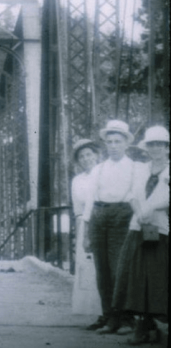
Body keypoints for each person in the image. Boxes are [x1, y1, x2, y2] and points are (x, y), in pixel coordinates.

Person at [113, 126, 169, 346]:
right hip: (141, 227)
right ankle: (143, 324)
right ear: (147, 148)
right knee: (138, 275)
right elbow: (132, 194)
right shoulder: (141, 169)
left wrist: (151, 208)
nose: (155, 148)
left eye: (160, 144)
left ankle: (157, 323)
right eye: (151, 144)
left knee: (158, 274)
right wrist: (140, 212)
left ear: (166, 147)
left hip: (160, 228)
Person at [83, 119, 136, 334]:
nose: (113, 145)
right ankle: (109, 317)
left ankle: (125, 319)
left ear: (126, 144)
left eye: (117, 141)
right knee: (102, 270)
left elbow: (137, 197)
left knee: (119, 269)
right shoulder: (99, 168)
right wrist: (87, 232)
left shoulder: (135, 168)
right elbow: (89, 199)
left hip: (122, 217)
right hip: (99, 216)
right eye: (110, 141)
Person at [71, 139, 102, 317]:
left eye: (89, 154)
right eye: (81, 156)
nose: (86, 159)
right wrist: (79, 236)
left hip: (102, 221)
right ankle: (94, 312)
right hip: (85, 226)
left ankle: (108, 313)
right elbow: (77, 209)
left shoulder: (104, 173)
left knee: (103, 268)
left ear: (96, 155)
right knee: (87, 269)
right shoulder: (77, 180)